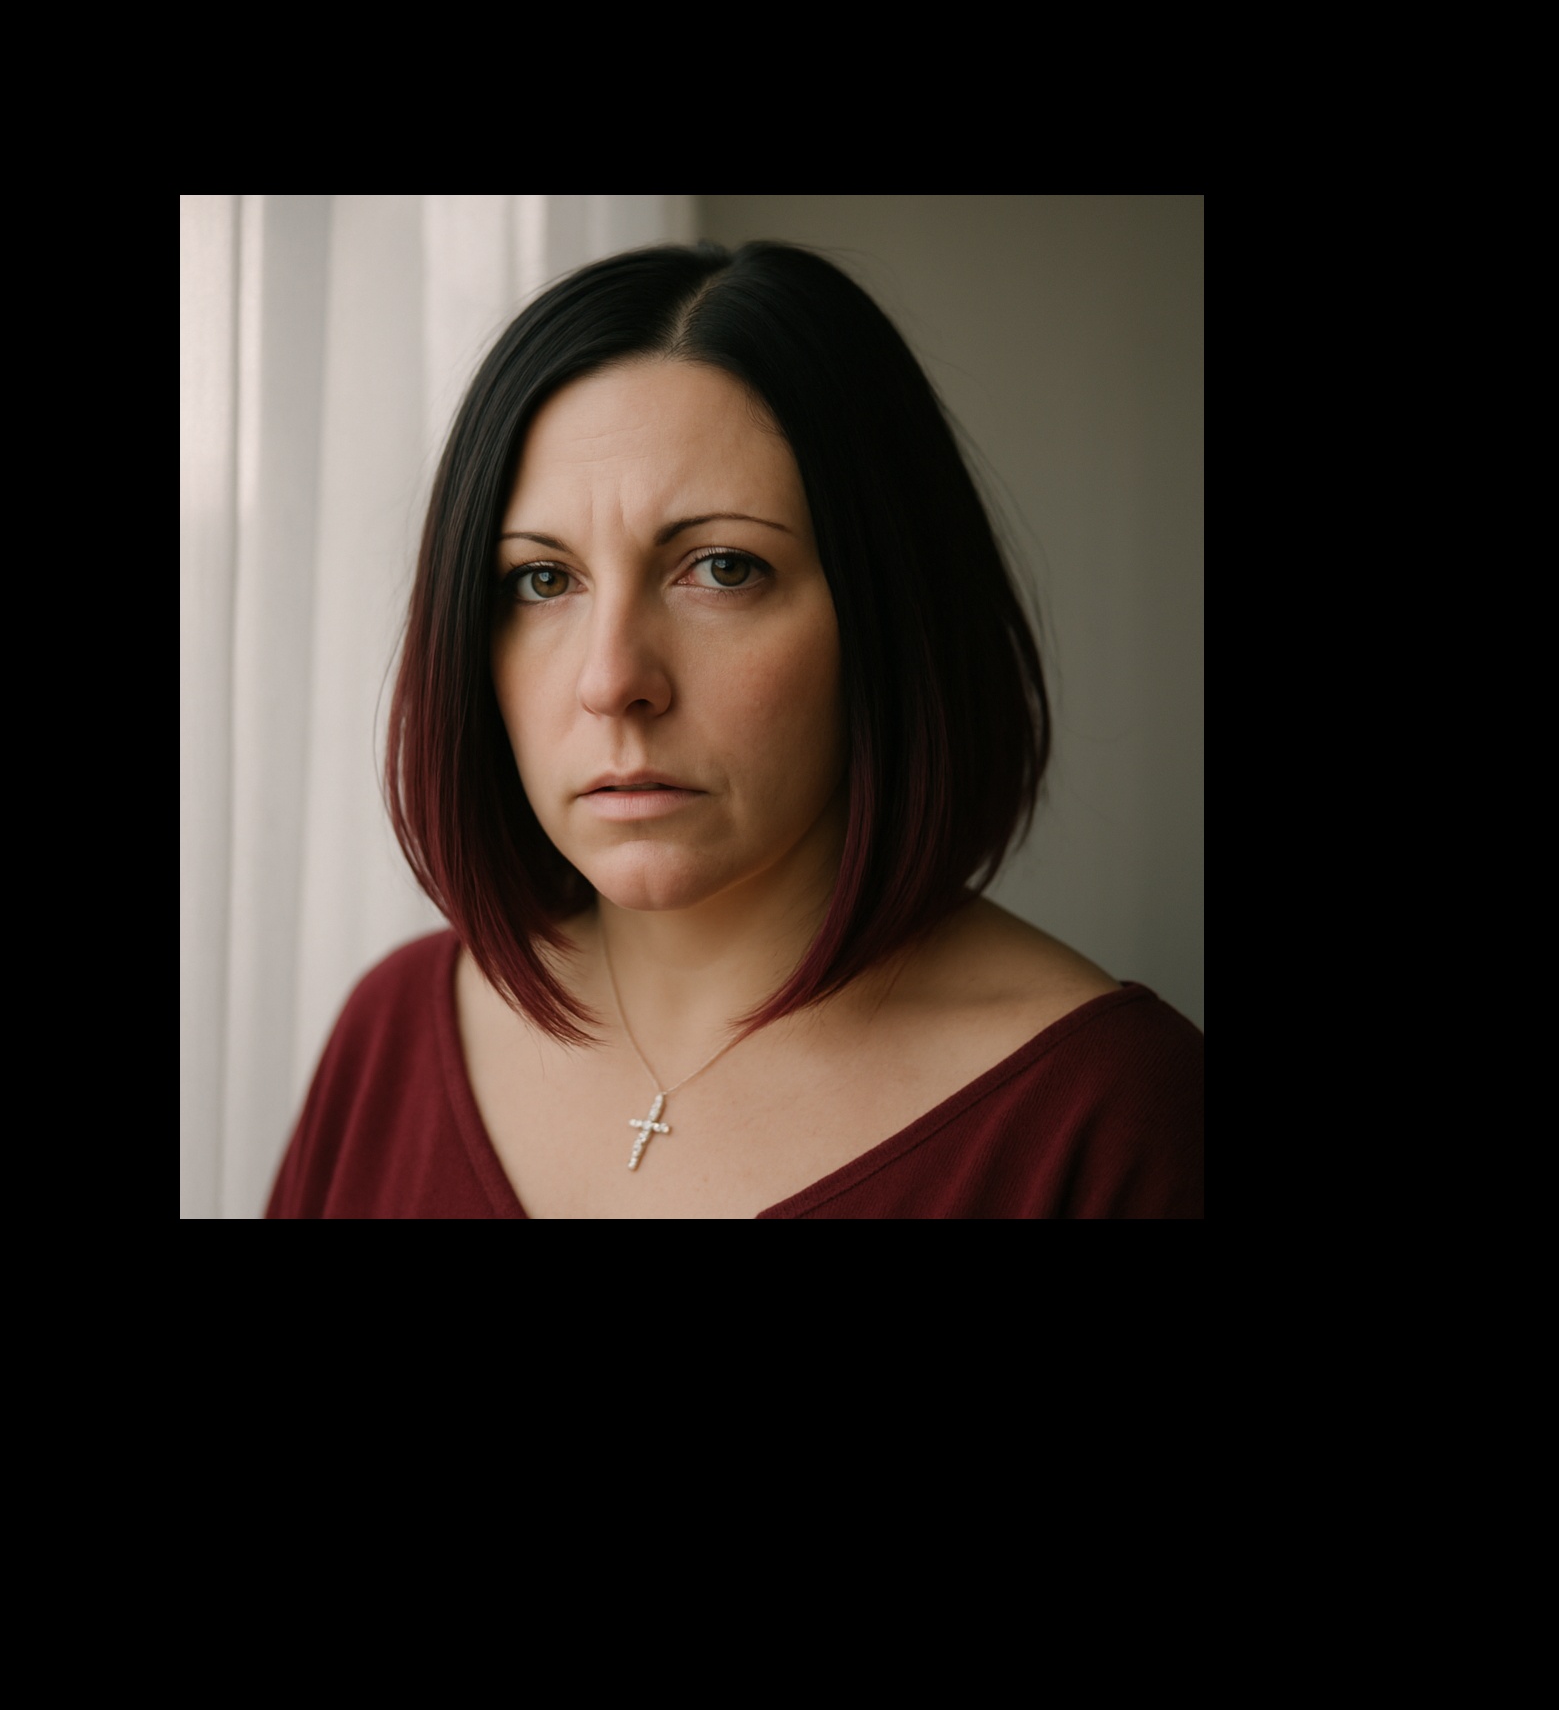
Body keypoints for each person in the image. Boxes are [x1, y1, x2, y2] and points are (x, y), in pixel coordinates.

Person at [266, 240, 1202, 1218]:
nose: (611, 681)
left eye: (722, 568)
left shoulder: (1113, 1119)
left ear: (891, 614)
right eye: (543, 580)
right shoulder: (391, 1038)